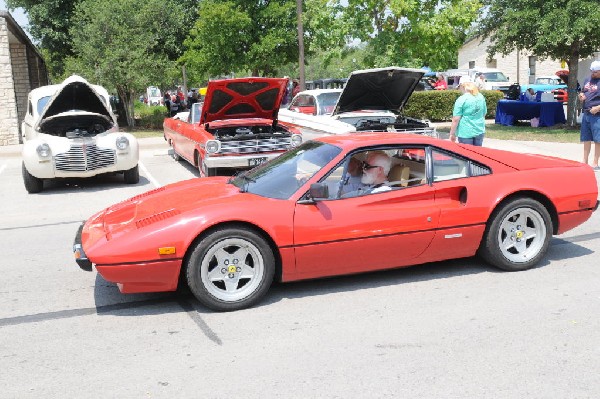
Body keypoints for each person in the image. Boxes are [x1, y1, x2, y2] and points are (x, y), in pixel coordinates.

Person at [448, 76, 487, 146]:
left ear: (462, 86)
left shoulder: (461, 99)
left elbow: (456, 119)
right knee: (478, 154)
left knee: (467, 155)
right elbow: (483, 114)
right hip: (479, 130)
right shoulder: (481, 96)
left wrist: (452, 133)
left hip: (465, 132)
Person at [579, 60, 600, 170]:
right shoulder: (588, 79)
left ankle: (595, 162)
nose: (593, 74)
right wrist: (581, 95)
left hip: (597, 115)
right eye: (591, 71)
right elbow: (583, 91)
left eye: (595, 72)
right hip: (586, 113)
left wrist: (598, 108)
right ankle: (584, 160)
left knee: (598, 139)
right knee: (586, 138)